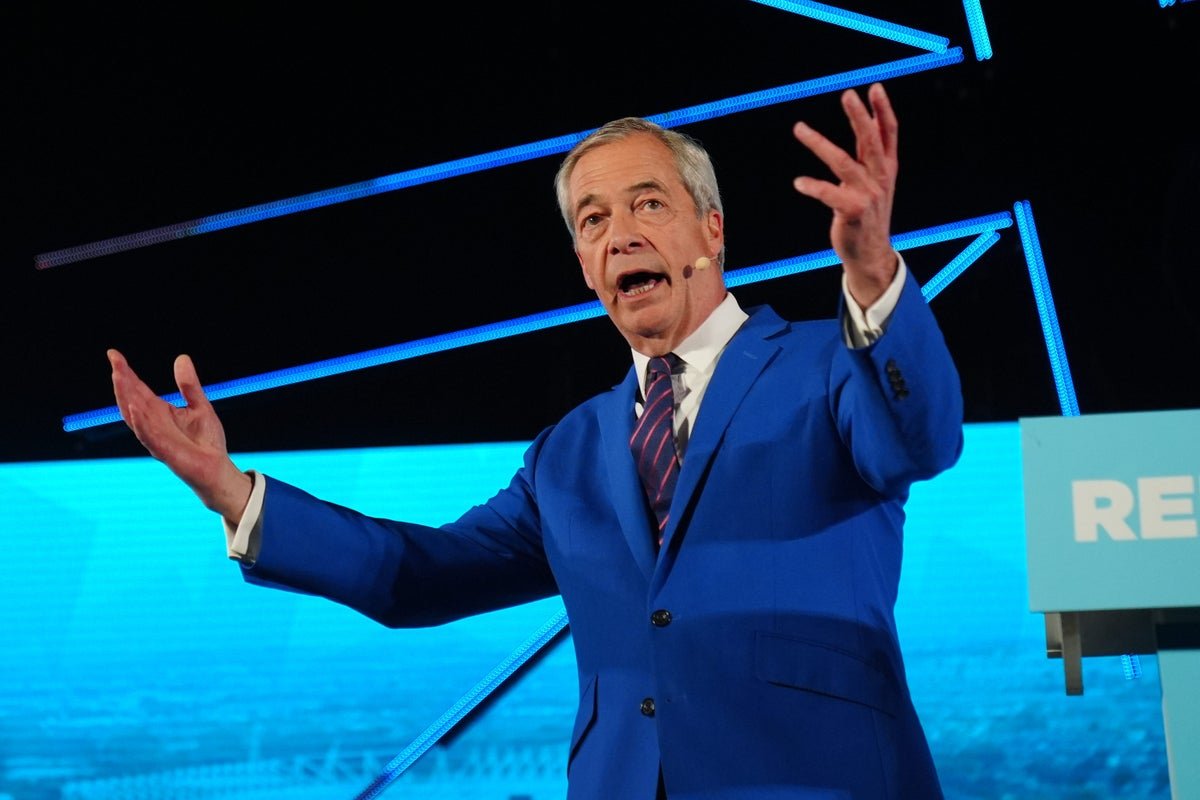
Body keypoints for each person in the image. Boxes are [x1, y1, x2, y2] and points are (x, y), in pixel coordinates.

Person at [108, 82, 963, 799]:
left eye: (648, 204)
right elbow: (417, 577)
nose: (619, 232)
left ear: (713, 231)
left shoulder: (829, 364)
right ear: (587, 269)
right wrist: (231, 492)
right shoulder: (566, 454)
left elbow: (919, 439)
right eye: (592, 221)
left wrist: (874, 275)